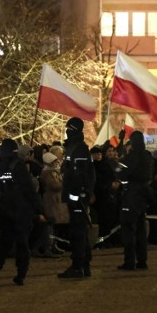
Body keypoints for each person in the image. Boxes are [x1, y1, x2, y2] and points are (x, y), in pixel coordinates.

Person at [0, 139, 45, 287]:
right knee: (22, 244)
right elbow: (29, 190)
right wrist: (39, 209)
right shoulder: (19, 166)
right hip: (21, 211)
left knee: (4, 244)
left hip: (4, 211)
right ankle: (21, 274)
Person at [57, 117, 95, 279]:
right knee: (79, 232)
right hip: (75, 196)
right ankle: (84, 264)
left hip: (77, 197)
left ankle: (78, 266)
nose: (66, 131)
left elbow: (79, 175)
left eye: (69, 129)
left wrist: (77, 195)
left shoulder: (79, 149)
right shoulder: (73, 147)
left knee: (77, 232)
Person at [113, 131, 153, 270]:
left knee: (128, 228)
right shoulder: (147, 155)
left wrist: (118, 161)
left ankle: (129, 261)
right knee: (141, 229)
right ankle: (142, 260)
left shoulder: (131, 156)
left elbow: (119, 170)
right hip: (143, 194)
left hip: (131, 194)